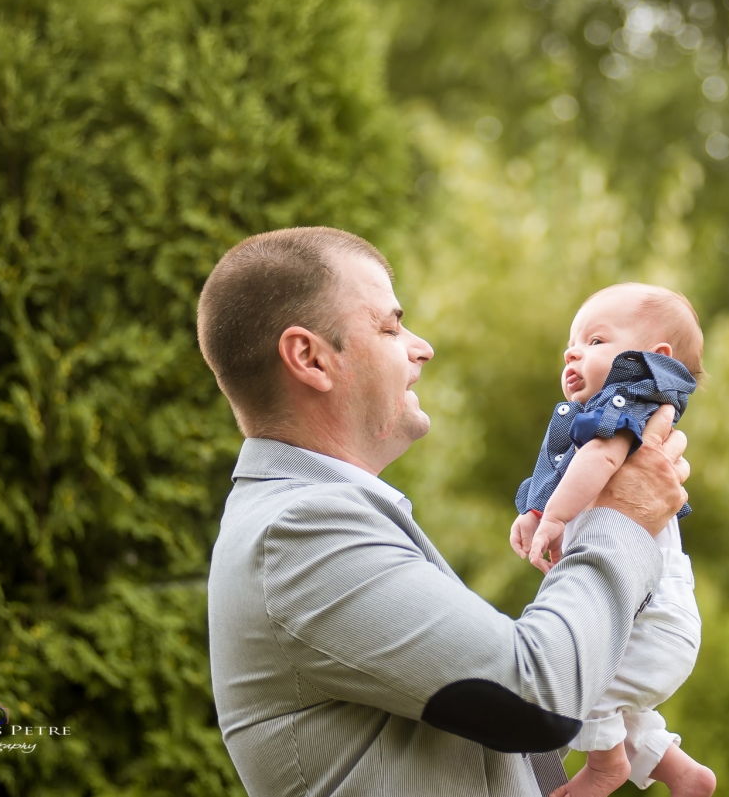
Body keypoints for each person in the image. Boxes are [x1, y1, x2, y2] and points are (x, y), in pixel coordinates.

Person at [198, 227, 692, 797]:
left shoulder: (310, 518)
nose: (421, 346)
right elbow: (535, 694)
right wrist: (624, 520)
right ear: (310, 358)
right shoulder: (299, 532)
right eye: (390, 325)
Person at [510, 284, 717, 797]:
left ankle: (606, 769)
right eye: (572, 343)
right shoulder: (599, 422)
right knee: (608, 691)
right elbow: (572, 472)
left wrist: (554, 518)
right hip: (644, 624)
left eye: (596, 339)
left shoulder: (629, 410)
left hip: (653, 623)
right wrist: (536, 509)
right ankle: (681, 773)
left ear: (653, 359)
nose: (573, 351)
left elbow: (597, 462)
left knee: (584, 680)